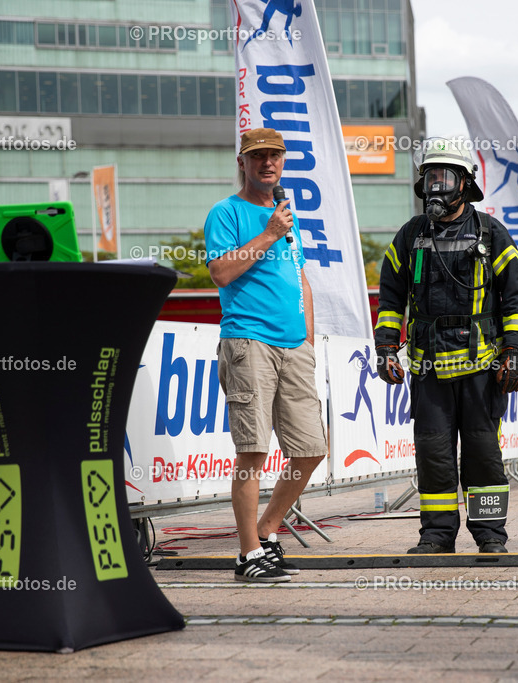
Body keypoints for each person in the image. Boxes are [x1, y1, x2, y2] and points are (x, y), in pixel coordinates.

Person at [374, 136, 518, 554]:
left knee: (482, 454)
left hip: (482, 366)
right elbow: (390, 297)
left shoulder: (491, 233)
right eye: (430, 177)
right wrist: (386, 347)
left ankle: (490, 537)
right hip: (429, 369)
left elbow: (516, 297)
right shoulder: (410, 237)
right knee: (433, 453)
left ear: (465, 183)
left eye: (445, 177)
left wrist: (515, 353)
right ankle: (437, 536)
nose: (437, 186)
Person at [204, 128, 327, 583]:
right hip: (248, 341)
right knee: (253, 451)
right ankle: (248, 554)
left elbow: (302, 278)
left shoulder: (287, 216)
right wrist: (271, 233)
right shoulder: (227, 212)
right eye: (258, 157)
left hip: (292, 346)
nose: (267, 163)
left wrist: (307, 339)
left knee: (311, 449)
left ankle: (268, 531)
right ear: (243, 163)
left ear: (283, 161)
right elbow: (220, 271)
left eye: (274, 156)